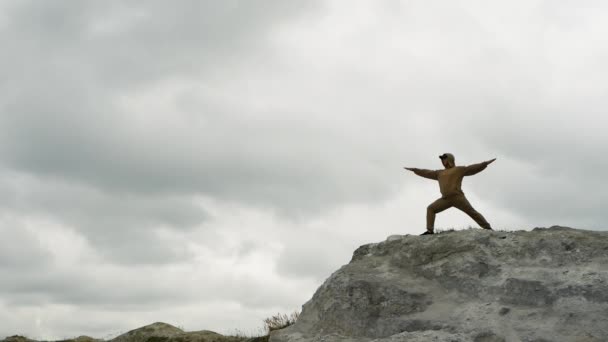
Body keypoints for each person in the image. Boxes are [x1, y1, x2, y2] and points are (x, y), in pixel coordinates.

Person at [404, 153, 496, 235]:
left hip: (458, 198)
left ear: (449, 160)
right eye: (442, 160)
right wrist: (415, 170)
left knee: (472, 212)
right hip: (445, 199)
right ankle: (430, 231)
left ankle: (488, 228)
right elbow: (427, 172)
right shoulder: (439, 173)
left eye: (444, 159)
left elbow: (472, 168)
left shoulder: (459, 169)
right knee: (431, 208)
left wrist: (484, 164)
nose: (443, 161)